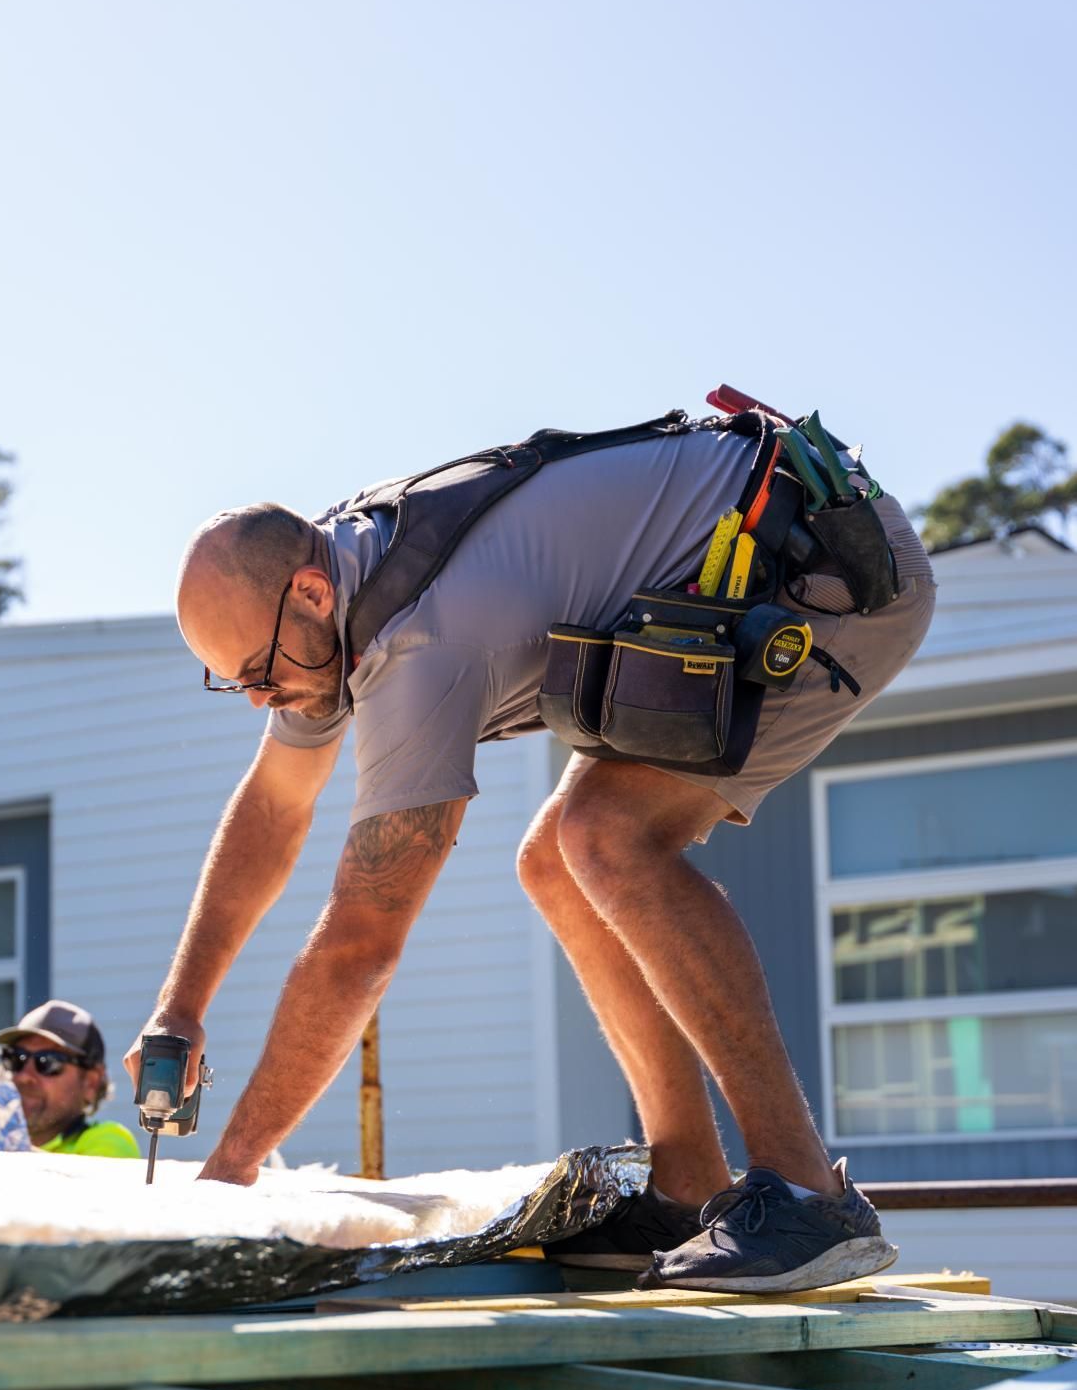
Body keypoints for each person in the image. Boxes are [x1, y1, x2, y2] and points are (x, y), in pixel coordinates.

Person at [127, 407, 936, 1294]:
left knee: (607, 837)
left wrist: (227, 1185)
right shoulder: (332, 596)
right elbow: (274, 809)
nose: (258, 699)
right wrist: (182, 1006)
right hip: (731, 559)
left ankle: (805, 1199)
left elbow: (361, 944)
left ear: (312, 594)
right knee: (553, 859)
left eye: (257, 671)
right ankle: (682, 1188)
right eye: (233, 681)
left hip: (828, 572)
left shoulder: (419, 641)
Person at [0, 999, 140, 1158]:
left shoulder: (109, 1141)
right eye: (16, 1059)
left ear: (90, 1083)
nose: (24, 1077)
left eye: (48, 1062)